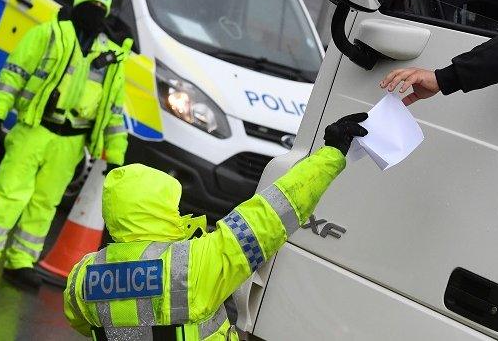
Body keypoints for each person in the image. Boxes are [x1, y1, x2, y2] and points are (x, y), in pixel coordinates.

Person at [63, 113, 370, 340]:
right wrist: (331, 154)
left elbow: (83, 323)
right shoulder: (193, 265)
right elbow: (270, 214)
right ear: (161, 209)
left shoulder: (81, 278)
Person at [0, 0, 131, 291]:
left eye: (100, 10)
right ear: (76, 6)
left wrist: (117, 157)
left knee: (45, 203)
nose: (94, 14)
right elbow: (12, 74)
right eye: (89, 7)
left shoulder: (110, 58)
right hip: (34, 128)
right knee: (11, 194)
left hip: (71, 142)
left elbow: (113, 113)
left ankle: (21, 261)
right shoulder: (48, 35)